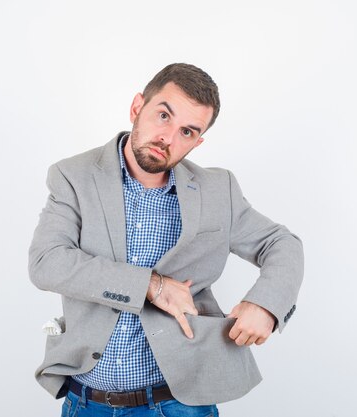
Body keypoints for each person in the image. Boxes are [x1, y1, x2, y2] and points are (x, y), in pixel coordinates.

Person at [28, 63, 303, 416]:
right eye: (163, 116)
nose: (168, 138)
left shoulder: (218, 190)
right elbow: (47, 262)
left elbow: (282, 243)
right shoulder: (73, 176)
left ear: (198, 140)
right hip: (88, 403)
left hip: (178, 405)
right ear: (136, 107)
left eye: (187, 131)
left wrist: (266, 304)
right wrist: (151, 286)